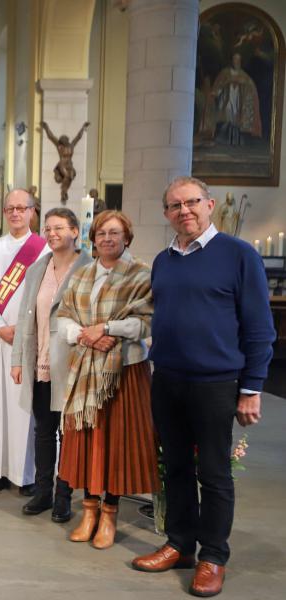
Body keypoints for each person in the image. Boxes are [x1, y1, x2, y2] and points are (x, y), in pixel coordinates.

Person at [132, 177, 275, 597]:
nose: (185, 211)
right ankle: (180, 544)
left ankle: (213, 556)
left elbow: (260, 329)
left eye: (192, 202)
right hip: (169, 379)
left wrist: (251, 388)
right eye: (175, 205)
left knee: (212, 473)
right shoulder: (163, 260)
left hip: (216, 382)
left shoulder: (239, 255)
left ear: (210, 205)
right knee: (174, 467)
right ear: (166, 214)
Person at [55, 210, 157, 550]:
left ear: (127, 238)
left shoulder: (141, 274)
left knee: (114, 443)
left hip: (123, 371)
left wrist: (109, 329)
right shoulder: (82, 274)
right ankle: (88, 511)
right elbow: (64, 315)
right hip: (85, 367)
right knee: (87, 440)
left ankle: (109, 514)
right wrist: (85, 335)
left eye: (114, 233)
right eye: (101, 234)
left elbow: (146, 321)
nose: (107, 239)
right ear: (93, 239)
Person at [9, 207, 91, 521]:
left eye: (59, 228)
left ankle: (64, 495)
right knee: (43, 429)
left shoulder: (88, 268)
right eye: (48, 228)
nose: (52, 233)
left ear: (74, 232)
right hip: (40, 359)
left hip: (72, 363)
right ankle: (43, 491)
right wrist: (19, 360)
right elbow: (24, 315)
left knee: (68, 432)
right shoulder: (37, 268)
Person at [0, 189, 49, 494]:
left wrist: (24, 330)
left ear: (33, 211)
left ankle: (26, 474)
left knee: (24, 409)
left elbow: (49, 295)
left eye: (22, 208)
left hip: (28, 341)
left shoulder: (44, 250)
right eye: (10, 209)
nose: (16, 213)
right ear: (4, 213)